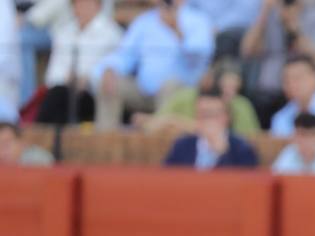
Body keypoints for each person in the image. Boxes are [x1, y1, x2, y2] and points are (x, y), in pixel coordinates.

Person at [92, 0, 215, 130]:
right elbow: (125, 54)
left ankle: (157, 141)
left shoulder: (198, 20)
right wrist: (110, 68)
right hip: (143, 89)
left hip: (181, 89)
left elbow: (198, 56)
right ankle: (105, 138)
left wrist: (176, 29)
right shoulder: (144, 21)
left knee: (170, 86)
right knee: (111, 82)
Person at [241, 0, 315, 124]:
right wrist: (264, 13)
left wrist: (294, 28)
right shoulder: (271, 15)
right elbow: (247, 50)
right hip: (273, 90)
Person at [35, 0, 123, 125]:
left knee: (59, 100)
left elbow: (116, 69)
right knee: (58, 95)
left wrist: (87, 80)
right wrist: (67, 79)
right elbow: (53, 74)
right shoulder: (64, 32)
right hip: (63, 91)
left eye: (86, 3)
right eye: (78, 3)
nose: (81, 7)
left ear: (98, 5)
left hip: (93, 95)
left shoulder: (112, 34)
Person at [141, 59, 261, 136]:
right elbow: (150, 126)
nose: (229, 94)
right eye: (225, 87)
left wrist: (183, 125)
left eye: (235, 88)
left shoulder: (241, 105)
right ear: (212, 83)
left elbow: (251, 140)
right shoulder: (184, 98)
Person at [162, 86, 259, 169]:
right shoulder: (182, 145)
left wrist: (222, 152)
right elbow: (166, 178)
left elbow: (245, 184)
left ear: (227, 117)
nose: (209, 120)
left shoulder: (242, 148)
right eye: (204, 114)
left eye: (214, 114)